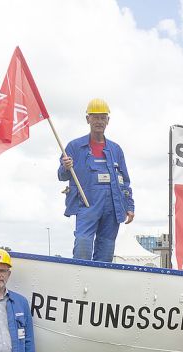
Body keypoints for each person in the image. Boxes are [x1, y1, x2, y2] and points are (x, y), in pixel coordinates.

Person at [58, 98, 135, 261]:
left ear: (108, 120)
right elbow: (61, 176)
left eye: (102, 117)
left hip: (112, 207)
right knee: (83, 246)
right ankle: (79, 283)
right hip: (86, 204)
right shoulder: (74, 147)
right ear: (88, 119)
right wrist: (65, 166)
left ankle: (99, 285)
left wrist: (129, 205)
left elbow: (125, 181)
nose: (99, 121)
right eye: (95, 117)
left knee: (106, 252)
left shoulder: (116, 149)